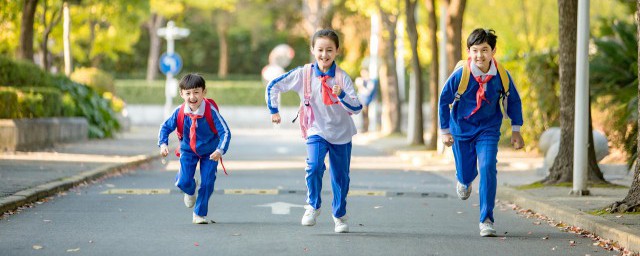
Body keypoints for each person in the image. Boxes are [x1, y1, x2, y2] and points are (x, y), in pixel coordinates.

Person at [265, 29, 362, 233]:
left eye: (329, 50)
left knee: (340, 177)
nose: (324, 55)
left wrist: (342, 95)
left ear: (337, 51)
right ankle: (313, 205)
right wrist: (274, 110)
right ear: (312, 50)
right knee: (314, 166)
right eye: (320, 50)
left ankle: (339, 215)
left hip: (341, 134)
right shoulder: (304, 73)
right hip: (316, 130)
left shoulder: (342, 78)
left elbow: (356, 107)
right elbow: (274, 85)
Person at [438, 28, 524, 237]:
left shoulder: (501, 75)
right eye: (475, 50)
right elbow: (443, 100)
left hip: (488, 128)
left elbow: (513, 101)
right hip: (461, 129)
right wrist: (444, 131)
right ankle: (464, 180)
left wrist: (516, 130)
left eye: (484, 50)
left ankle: (486, 219)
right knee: (466, 173)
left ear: (493, 51)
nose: (480, 55)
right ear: (469, 51)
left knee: (487, 167)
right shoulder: (461, 74)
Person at [158, 73, 231, 224]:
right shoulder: (179, 112)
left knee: (208, 182)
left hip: (210, 152)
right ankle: (190, 189)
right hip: (188, 150)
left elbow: (225, 132)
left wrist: (220, 150)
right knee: (183, 181)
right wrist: (163, 144)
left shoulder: (211, 111)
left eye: (196, 92)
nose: (192, 97)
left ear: (204, 92)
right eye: (188, 93)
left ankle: (199, 214)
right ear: (182, 94)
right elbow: (165, 127)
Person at [354, 68, 377, 133]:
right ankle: (364, 128)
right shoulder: (361, 80)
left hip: (366, 101)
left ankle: (366, 129)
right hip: (361, 100)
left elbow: (368, 92)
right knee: (362, 115)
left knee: (365, 114)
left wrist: (361, 86)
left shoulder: (370, 81)